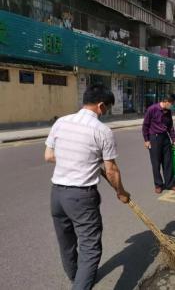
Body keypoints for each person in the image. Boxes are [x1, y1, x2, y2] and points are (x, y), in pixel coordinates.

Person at [44, 84, 131, 290]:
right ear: (101, 105)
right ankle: (81, 284)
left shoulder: (61, 122)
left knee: (66, 243)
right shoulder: (102, 130)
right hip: (81, 197)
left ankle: (77, 277)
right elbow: (111, 171)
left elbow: (48, 156)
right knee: (90, 248)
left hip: (57, 195)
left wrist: (74, 160)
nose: (106, 113)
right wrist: (121, 192)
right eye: (107, 109)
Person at [142, 94, 175, 194]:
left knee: (168, 162)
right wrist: (146, 140)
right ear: (166, 101)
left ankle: (169, 184)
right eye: (172, 103)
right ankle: (158, 185)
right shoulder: (152, 109)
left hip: (165, 138)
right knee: (156, 163)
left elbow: (170, 127)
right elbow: (145, 125)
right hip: (154, 138)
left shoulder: (168, 112)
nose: (173, 105)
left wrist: (174, 140)